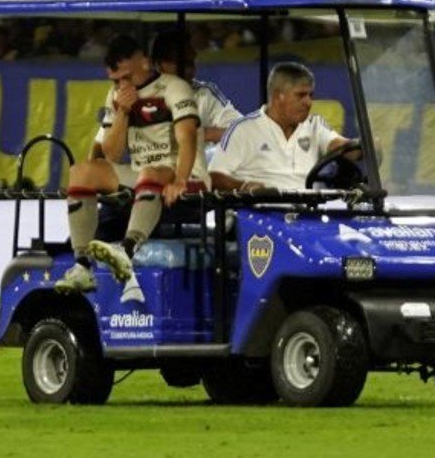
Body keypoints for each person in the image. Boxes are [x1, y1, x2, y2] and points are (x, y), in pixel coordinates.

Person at [56, 34, 204, 305]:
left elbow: (187, 139)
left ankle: (126, 251)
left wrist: (180, 180)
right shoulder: (116, 96)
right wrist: (123, 112)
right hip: (143, 174)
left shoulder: (174, 87)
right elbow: (111, 154)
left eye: (126, 77)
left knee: (150, 173)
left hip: (183, 171)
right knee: (81, 172)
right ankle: (82, 266)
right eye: (115, 80)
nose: (120, 85)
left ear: (145, 63)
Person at [209, 62, 356, 192]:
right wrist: (244, 187)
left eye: (311, 95)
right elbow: (215, 177)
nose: (309, 102)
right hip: (263, 211)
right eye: (301, 95)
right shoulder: (243, 129)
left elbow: (344, 149)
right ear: (278, 96)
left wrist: (366, 147)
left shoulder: (315, 125)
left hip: (312, 211)